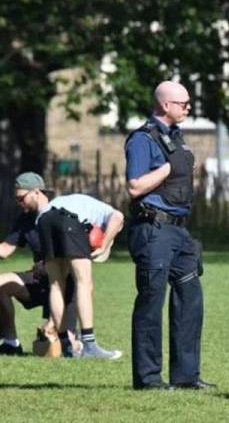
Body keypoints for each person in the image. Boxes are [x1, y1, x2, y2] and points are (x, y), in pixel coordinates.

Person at [126, 81, 212, 391]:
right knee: (151, 301)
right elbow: (134, 186)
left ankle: (186, 376)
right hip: (153, 229)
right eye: (183, 103)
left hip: (179, 231)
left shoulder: (176, 137)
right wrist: (166, 170)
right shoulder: (142, 139)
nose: (188, 107)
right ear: (165, 105)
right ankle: (148, 379)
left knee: (191, 298)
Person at [34, 177, 124, 359]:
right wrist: (105, 245)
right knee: (85, 283)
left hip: (43, 220)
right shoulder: (105, 212)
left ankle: (65, 344)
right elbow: (119, 217)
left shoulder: (75, 201)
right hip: (69, 220)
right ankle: (89, 345)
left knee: (56, 285)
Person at [0, 173, 77, 355]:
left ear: (36, 192)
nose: (19, 203)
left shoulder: (60, 213)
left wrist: (46, 265)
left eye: (21, 198)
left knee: (60, 350)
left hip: (64, 283)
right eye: (17, 199)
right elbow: (5, 249)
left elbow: (74, 254)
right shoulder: (25, 219)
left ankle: (73, 337)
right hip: (39, 280)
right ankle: (11, 343)